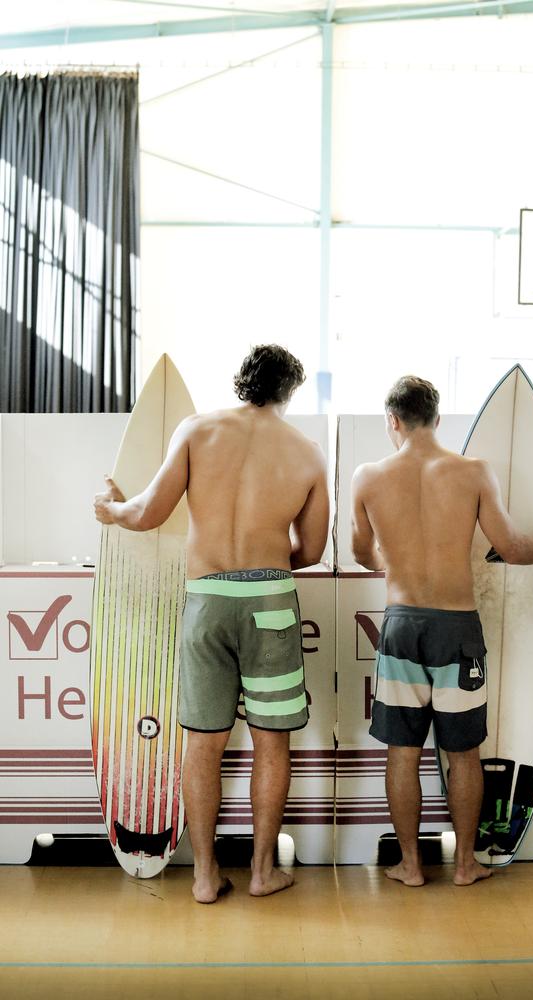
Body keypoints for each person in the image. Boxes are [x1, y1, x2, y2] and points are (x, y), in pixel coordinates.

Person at [94, 345, 329, 903]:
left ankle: (203, 875)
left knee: (203, 744)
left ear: (241, 382)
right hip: (271, 600)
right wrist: (265, 566)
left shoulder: (196, 430)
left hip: (205, 598)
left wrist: (110, 507)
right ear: (288, 393)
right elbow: (313, 549)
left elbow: (148, 512)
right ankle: (263, 871)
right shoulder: (308, 453)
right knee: (272, 744)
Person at [350, 375, 533, 888]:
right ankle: (465, 864)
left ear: (392, 421)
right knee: (463, 754)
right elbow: (515, 549)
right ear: (437, 419)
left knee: (402, 753)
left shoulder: (367, 476)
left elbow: (361, 553)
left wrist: (392, 559)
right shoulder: (473, 472)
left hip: (402, 626)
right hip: (456, 628)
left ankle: (410, 865)